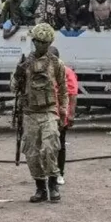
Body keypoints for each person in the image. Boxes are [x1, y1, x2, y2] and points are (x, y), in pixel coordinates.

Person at [10, 23, 68, 203]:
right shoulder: (24, 63)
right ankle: (40, 187)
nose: (40, 45)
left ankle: (53, 185)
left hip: (49, 111)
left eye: (44, 42)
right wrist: (18, 75)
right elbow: (13, 88)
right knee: (32, 153)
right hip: (30, 113)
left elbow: (63, 89)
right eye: (38, 41)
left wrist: (63, 111)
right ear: (33, 41)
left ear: (49, 43)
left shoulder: (56, 63)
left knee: (50, 147)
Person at [47, 46, 77, 185]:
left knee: (59, 145)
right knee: (46, 145)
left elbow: (72, 95)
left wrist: (71, 114)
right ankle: (49, 172)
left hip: (60, 115)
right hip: (46, 114)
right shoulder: (43, 72)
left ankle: (60, 173)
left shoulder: (67, 72)